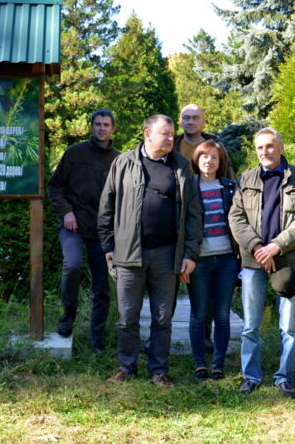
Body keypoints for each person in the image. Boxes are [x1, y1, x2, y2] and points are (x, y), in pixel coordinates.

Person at [98, 114, 202, 388]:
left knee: (162, 317)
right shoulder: (123, 163)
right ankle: (126, 367)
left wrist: (190, 253)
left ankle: (159, 370)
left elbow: (194, 215)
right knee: (127, 317)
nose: (171, 139)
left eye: (172, 134)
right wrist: (108, 246)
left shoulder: (181, 167)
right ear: (147, 134)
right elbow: (106, 207)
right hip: (129, 255)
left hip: (167, 256)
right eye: (165, 134)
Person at [228, 127, 295, 399]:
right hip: (253, 262)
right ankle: (251, 376)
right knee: (251, 325)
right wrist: (257, 247)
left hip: (286, 261)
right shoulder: (246, 178)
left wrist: (277, 246)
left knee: (288, 325)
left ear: (281, 147)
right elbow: (236, 217)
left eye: (269, 146)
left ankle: (284, 376)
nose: (264, 152)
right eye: (259, 148)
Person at [47, 108, 119, 350]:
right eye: (97, 124)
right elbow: (55, 187)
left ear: (112, 129)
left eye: (106, 124)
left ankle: (97, 338)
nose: (101, 128)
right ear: (91, 126)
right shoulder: (74, 153)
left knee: (102, 285)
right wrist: (66, 211)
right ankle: (67, 317)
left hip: (103, 229)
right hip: (74, 224)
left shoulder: (119, 160)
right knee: (72, 265)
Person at [186, 140, 239, 381]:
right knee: (198, 313)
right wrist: (184, 259)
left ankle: (218, 363)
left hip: (227, 260)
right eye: (204, 156)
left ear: (221, 162)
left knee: (223, 315)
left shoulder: (230, 188)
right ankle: (199, 363)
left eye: (214, 157)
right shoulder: (188, 188)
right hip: (199, 261)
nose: (209, 160)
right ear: (197, 160)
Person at [175, 104, 235, 181]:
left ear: (203, 121)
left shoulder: (216, 146)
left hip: (212, 190)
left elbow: (227, 173)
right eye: (186, 118)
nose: (190, 122)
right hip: (179, 192)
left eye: (195, 118)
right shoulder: (172, 146)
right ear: (180, 121)